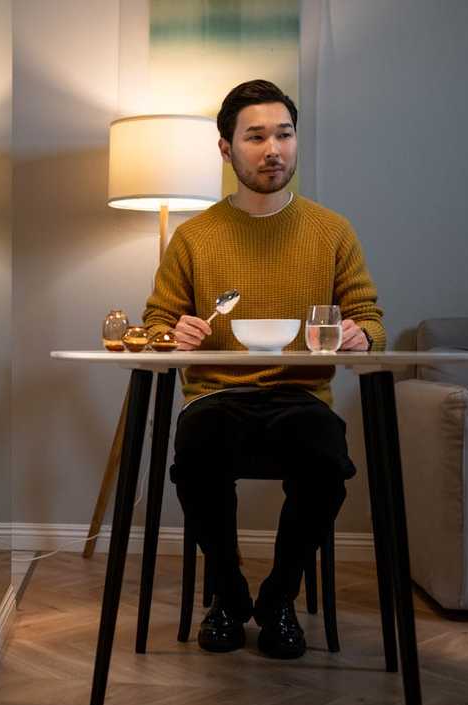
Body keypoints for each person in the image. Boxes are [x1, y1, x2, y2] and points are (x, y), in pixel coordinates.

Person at [142, 79, 385, 659]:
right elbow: (155, 323)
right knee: (196, 445)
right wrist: (173, 335)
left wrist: (361, 335)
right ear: (226, 149)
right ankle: (228, 595)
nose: (273, 148)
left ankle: (279, 598)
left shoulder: (332, 231)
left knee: (327, 454)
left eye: (284, 133)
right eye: (256, 136)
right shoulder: (194, 237)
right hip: (215, 397)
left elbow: (370, 318)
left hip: (302, 398)